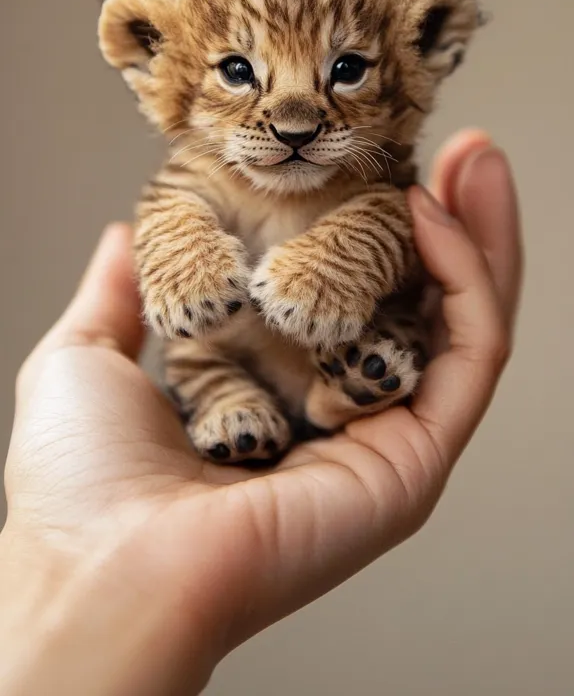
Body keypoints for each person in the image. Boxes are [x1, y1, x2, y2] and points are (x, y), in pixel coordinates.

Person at [0, 130, 522, 696]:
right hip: (233, 363)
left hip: (343, 351)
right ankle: (236, 401)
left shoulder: (376, 172)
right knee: (201, 353)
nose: (295, 119)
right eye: (237, 69)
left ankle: (336, 396)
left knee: (399, 325)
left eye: (346, 67)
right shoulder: (189, 176)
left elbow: (392, 234)